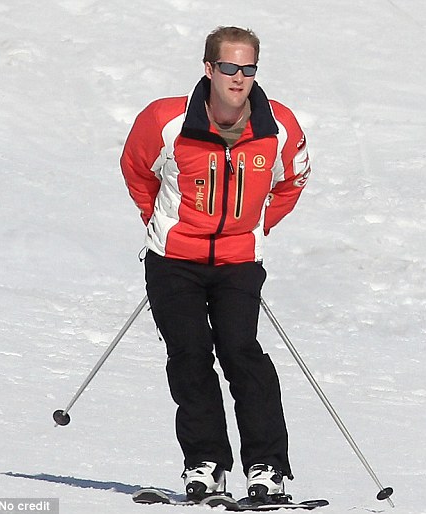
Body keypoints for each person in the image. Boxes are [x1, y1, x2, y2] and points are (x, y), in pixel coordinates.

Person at [120, 26, 311, 502]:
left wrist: (259, 225)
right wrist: (159, 221)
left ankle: (267, 468)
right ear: (209, 69)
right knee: (188, 354)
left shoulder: (278, 126)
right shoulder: (167, 120)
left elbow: (294, 180)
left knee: (240, 351)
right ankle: (205, 462)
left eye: (248, 68)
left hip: (238, 261)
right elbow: (136, 167)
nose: (239, 77)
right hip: (173, 261)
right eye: (229, 67)